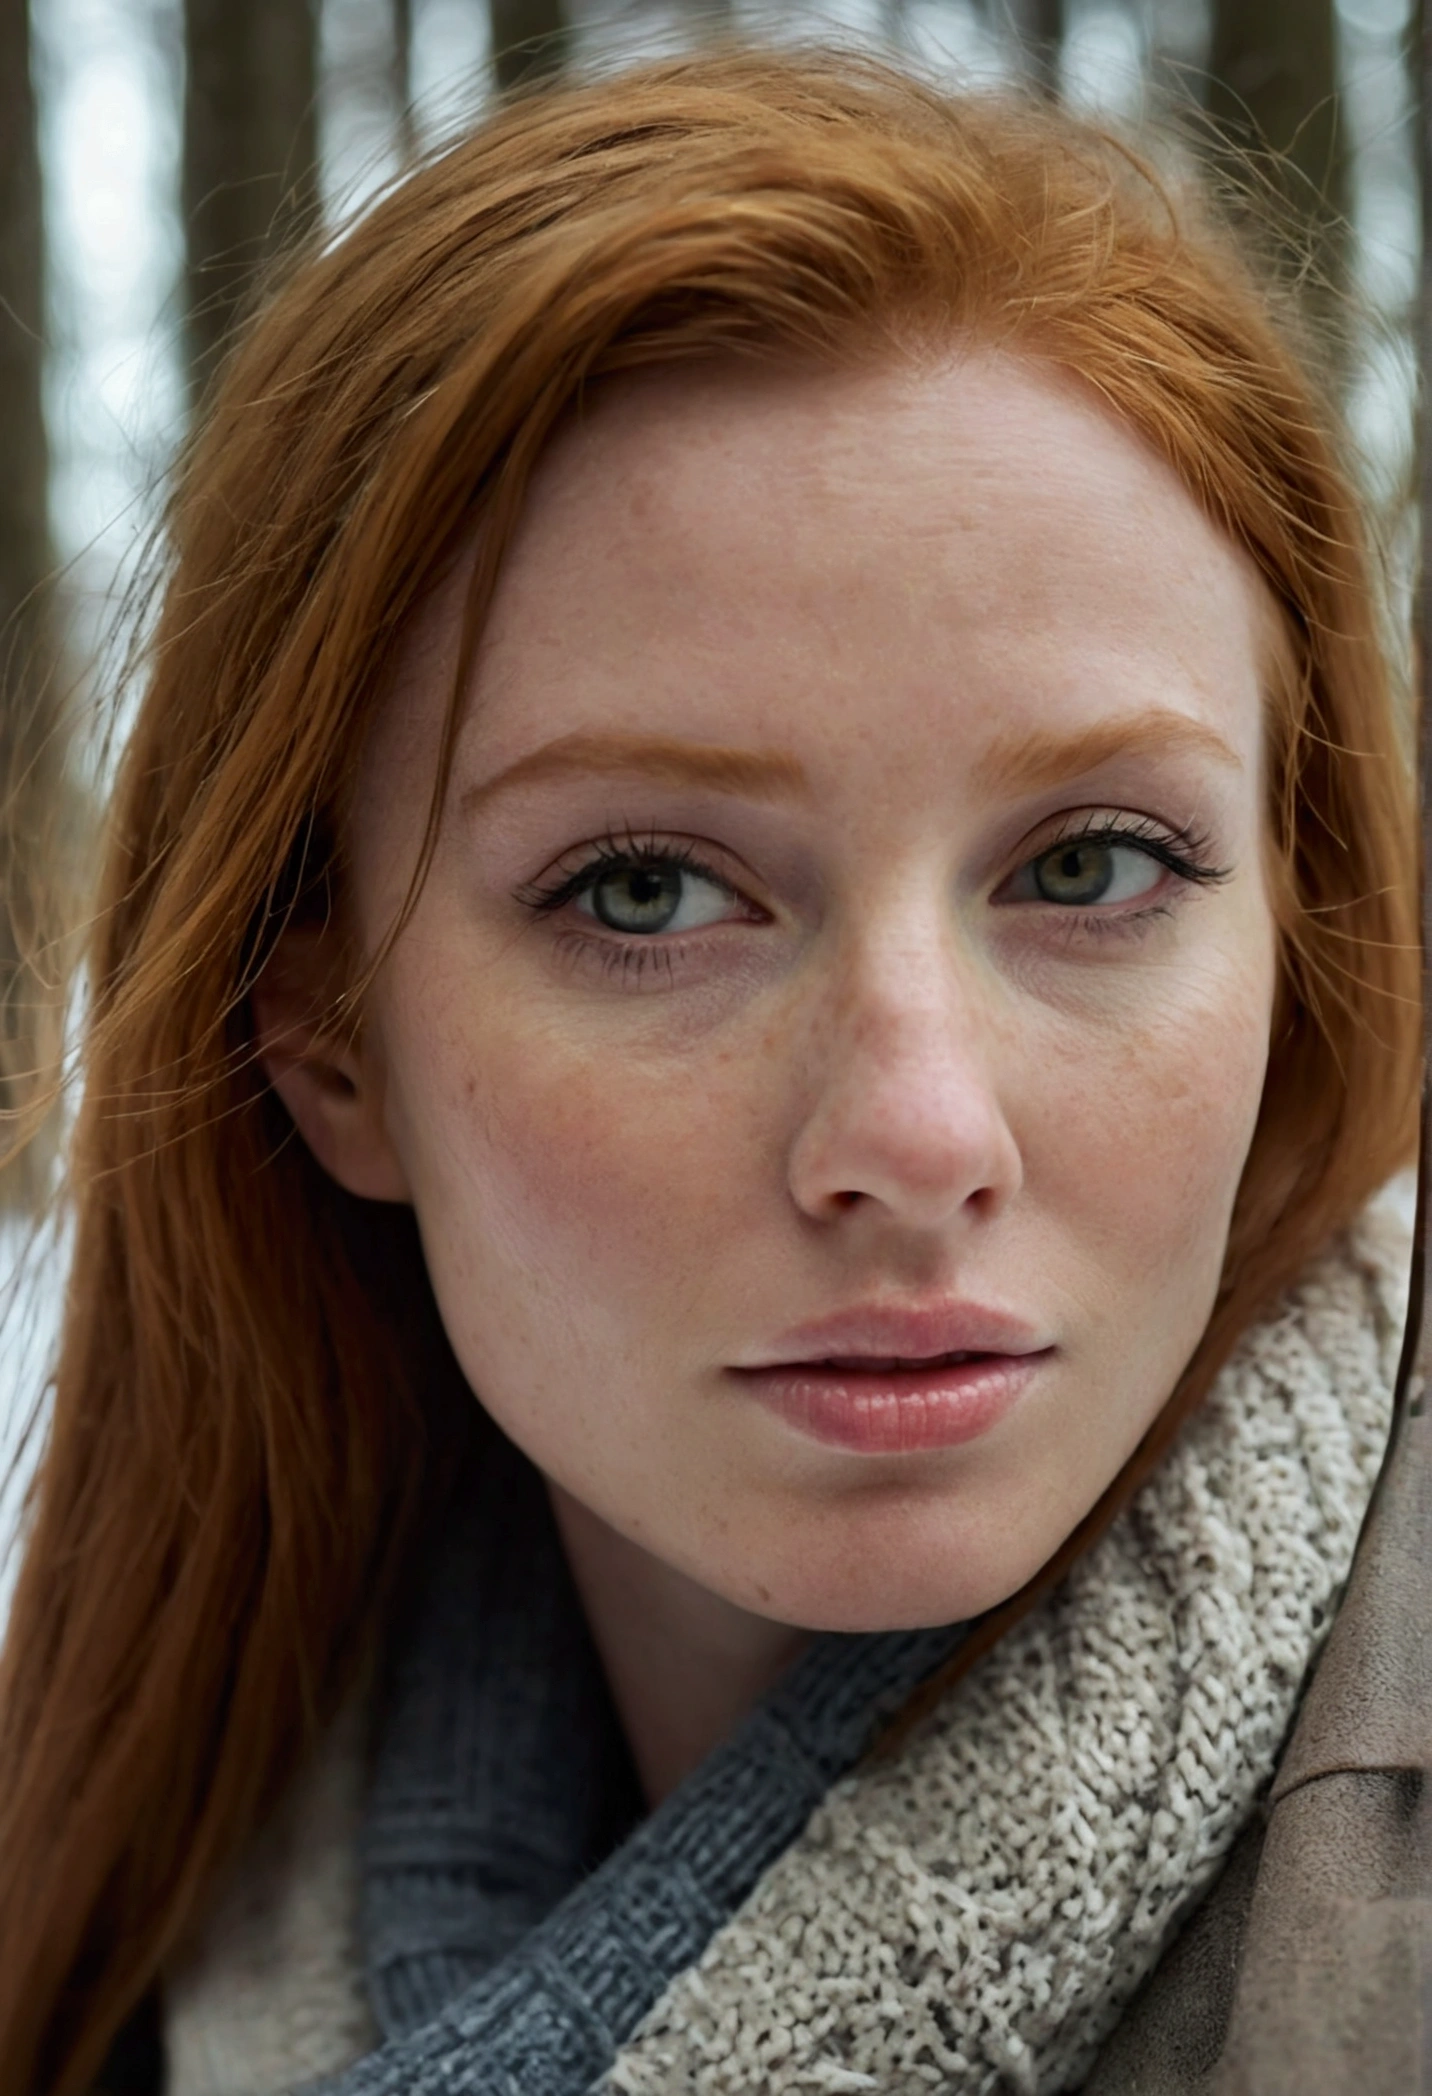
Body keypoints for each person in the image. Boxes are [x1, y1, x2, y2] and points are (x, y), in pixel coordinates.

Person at [0, 45, 1424, 2096]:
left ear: (1293, 942)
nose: (915, 1133)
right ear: (326, 1049)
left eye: (1090, 864)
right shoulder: (152, 1956)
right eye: (650, 890)